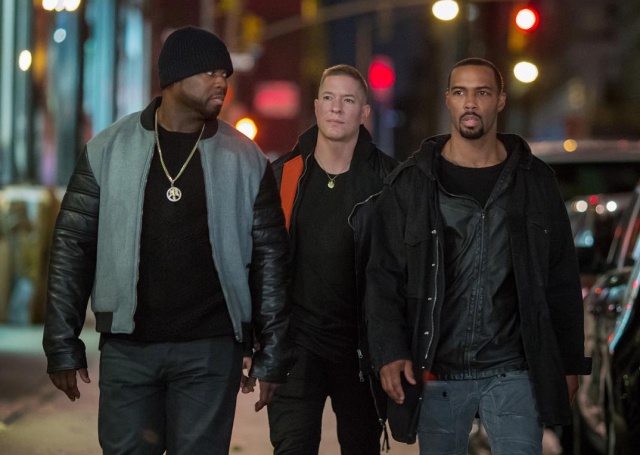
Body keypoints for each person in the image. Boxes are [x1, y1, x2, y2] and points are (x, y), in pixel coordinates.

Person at [42, 26, 291, 455]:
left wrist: (271, 352)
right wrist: (62, 342)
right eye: (210, 73)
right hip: (128, 349)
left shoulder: (247, 159)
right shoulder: (107, 149)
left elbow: (271, 260)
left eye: (225, 74)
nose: (222, 83)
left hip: (211, 350)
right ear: (175, 77)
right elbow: (72, 248)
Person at [366, 57, 592, 454]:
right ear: (448, 100)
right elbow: (384, 275)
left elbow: (561, 278)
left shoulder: (535, 181)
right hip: (438, 372)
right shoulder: (412, 184)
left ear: (500, 100)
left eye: (482, 92)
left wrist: (569, 363)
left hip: (513, 369)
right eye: (460, 92)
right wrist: (390, 352)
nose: (470, 103)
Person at [267, 64, 397, 454]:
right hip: (296, 347)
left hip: (360, 351)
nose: (336, 108)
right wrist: (258, 342)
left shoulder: (389, 181)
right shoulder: (283, 176)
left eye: (348, 100)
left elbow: (400, 271)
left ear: (364, 112)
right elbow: (261, 263)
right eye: (328, 97)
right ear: (316, 106)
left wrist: (394, 349)